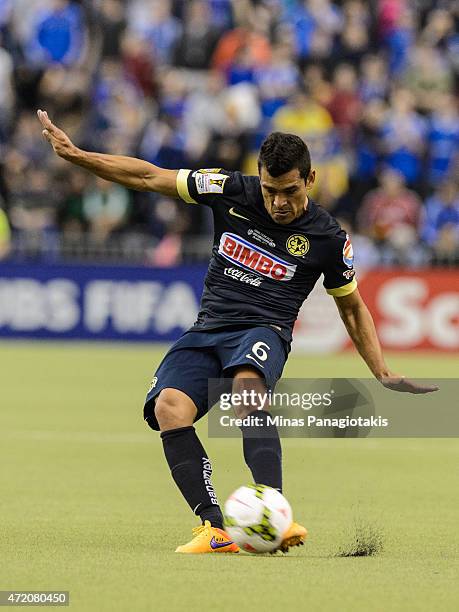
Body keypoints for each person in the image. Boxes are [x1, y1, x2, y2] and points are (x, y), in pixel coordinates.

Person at [37, 109, 438, 555]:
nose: (279, 203)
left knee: (248, 388)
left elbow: (352, 308)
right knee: (170, 408)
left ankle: (275, 515)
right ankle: (214, 528)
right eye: (270, 190)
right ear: (258, 178)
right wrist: (78, 156)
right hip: (209, 327)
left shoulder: (327, 237)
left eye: (289, 191)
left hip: (264, 329)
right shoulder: (229, 189)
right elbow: (151, 176)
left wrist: (380, 371)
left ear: (310, 179)